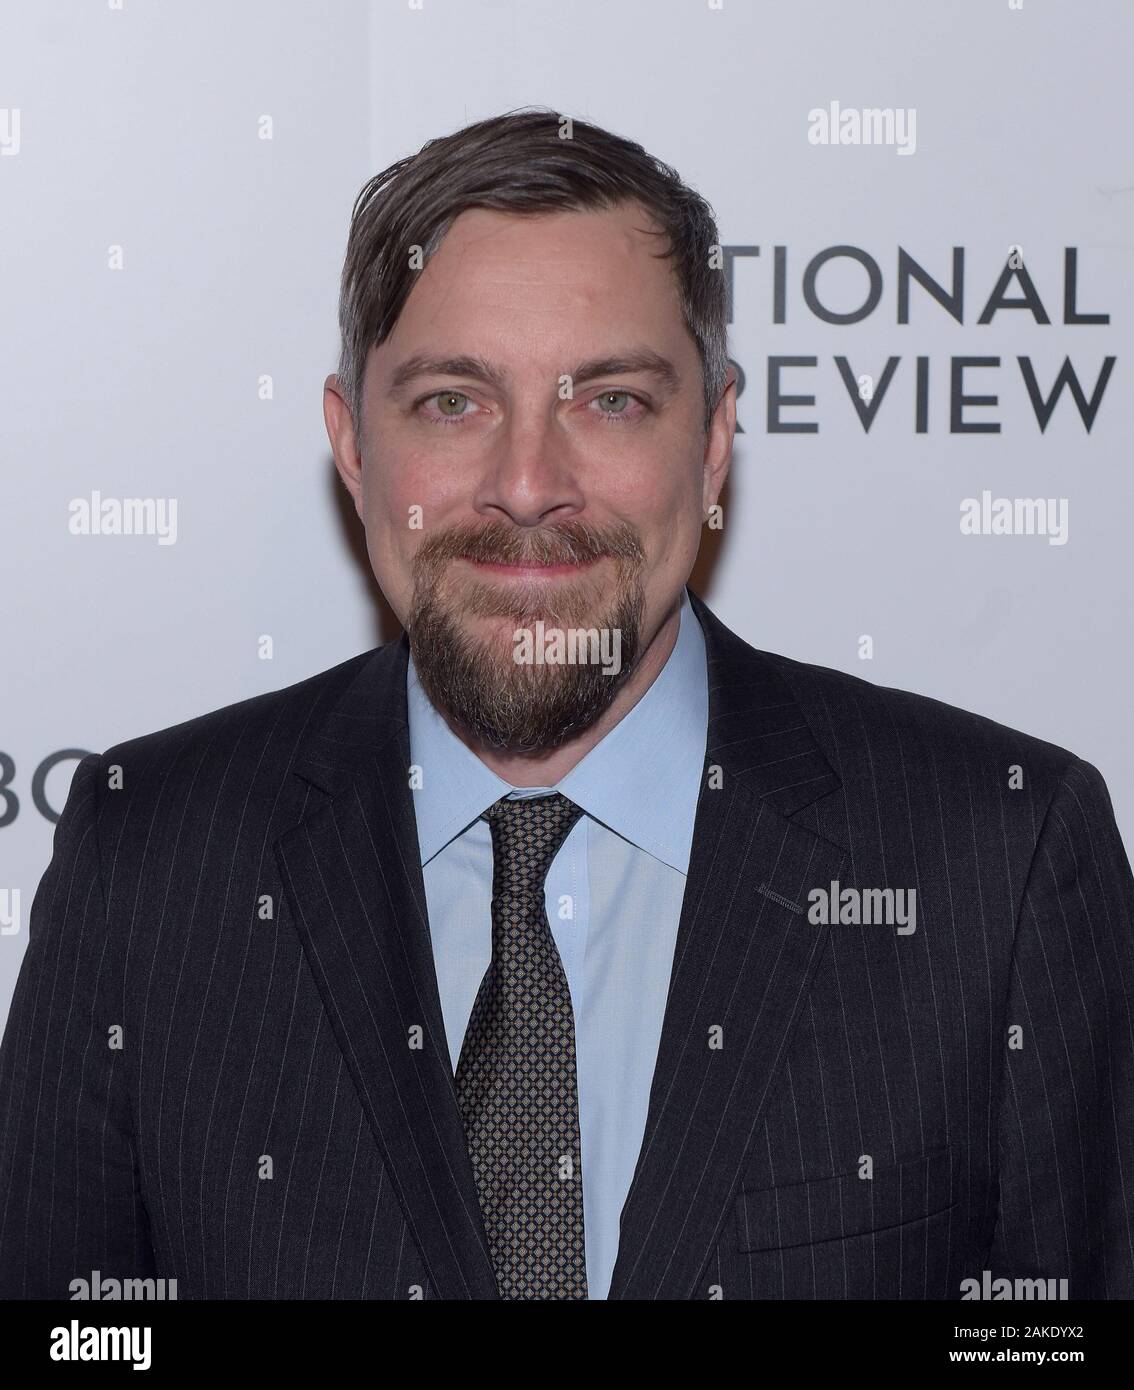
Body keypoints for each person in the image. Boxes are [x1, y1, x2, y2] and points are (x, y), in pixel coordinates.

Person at [2, 108, 1132, 1301]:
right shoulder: (152, 855)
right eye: (453, 401)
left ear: (712, 446)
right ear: (351, 446)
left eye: (610, 401)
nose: (529, 485)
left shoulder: (998, 859)